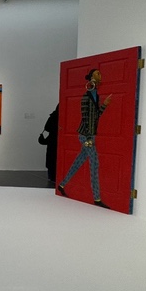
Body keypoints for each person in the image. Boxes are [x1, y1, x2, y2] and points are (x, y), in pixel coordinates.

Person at [57, 69, 112, 208]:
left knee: (79, 161)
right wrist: (88, 138)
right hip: (86, 135)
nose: (100, 75)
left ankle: (62, 185)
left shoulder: (96, 95)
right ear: (91, 77)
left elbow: (96, 116)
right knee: (94, 164)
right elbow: (85, 117)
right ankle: (97, 198)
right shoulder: (86, 97)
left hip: (90, 134)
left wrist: (105, 105)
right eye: (97, 73)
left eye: (100, 73)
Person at [38, 104, 59, 182]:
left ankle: (51, 176)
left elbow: (47, 128)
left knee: (51, 159)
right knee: (56, 158)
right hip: (57, 140)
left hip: (52, 140)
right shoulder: (66, 116)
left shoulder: (53, 116)